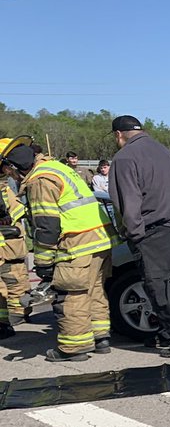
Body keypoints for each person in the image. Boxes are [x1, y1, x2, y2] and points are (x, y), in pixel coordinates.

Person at [0, 141, 116, 360]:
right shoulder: (58, 169)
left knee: (70, 295)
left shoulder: (40, 181)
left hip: (75, 243)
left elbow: (46, 226)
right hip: (99, 240)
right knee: (94, 290)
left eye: (6, 170)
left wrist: (43, 263)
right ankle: (100, 338)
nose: (9, 176)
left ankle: (74, 348)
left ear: (13, 166)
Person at [109, 115, 170, 357]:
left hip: (156, 228)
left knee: (158, 286)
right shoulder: (163, 151)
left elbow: (129, 199)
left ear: (118, 135)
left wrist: (134, 233)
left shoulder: (125, 157)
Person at [0, 137, 32, 334]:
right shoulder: (6, 186)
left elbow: (15, 215)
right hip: (10, 243)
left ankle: (14, 315)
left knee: (14, 281)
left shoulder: (5, 189)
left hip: (11, 243)